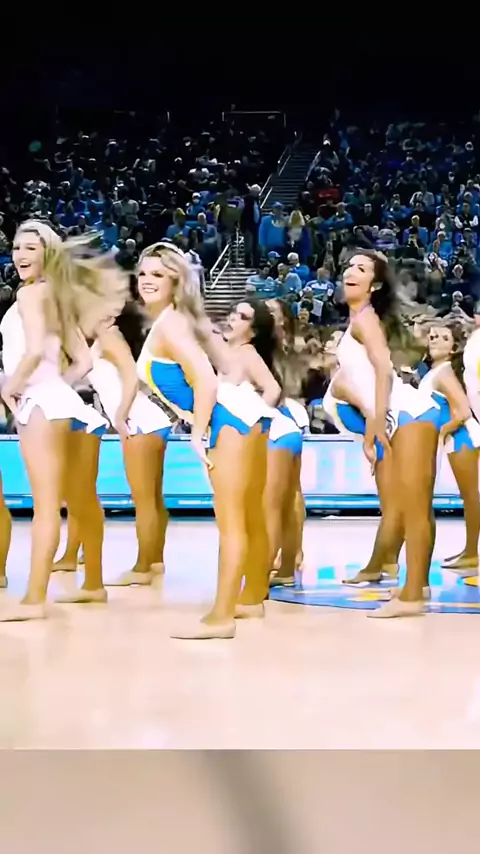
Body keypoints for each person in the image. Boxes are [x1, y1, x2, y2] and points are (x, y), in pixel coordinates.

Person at [136, 242, 280, 639]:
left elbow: (205, 379)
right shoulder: (181, 319)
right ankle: (251, 599)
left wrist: (198, 432)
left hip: (226, 420)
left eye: (157, 275)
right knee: (249, 515)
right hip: (245, 413)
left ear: (175, 281)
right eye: (143, 273)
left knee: (232, 521)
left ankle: (221, 618)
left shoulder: (170, 324)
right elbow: (228, 366)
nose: (147, 280)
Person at [0, 220, 118, 620]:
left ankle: (34, 600)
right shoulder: (58, 295)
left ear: (47, 253)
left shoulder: (29, 293)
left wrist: (12, 387)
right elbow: (83, 361)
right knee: (82, 500)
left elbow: (33, 351)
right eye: (17, 247)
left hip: (41, 404)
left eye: (30, 248)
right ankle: (93, 585)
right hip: (67, 405)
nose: (20, 255)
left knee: (46, 506)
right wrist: (57, 387)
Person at [322, 250, 442, 618]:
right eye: (349, 266)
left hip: (406, 412)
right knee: (416, 506)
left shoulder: (366, 319)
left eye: (361, 269)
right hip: (402, 413)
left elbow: (384, 370)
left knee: (413, 507)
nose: (350, 272)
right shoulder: (360, 319)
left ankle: (412, 596)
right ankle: (417, 585)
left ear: (374, 285)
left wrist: (375, 422)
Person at [264, 299, 309, 587]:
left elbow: (282, 386)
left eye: (272, 311)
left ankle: (284, 555)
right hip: (290, 412)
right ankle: (291, 555)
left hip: (283, 411)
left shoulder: (276, 346)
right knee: (292, 491)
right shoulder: (288, 345)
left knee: (281, 496)